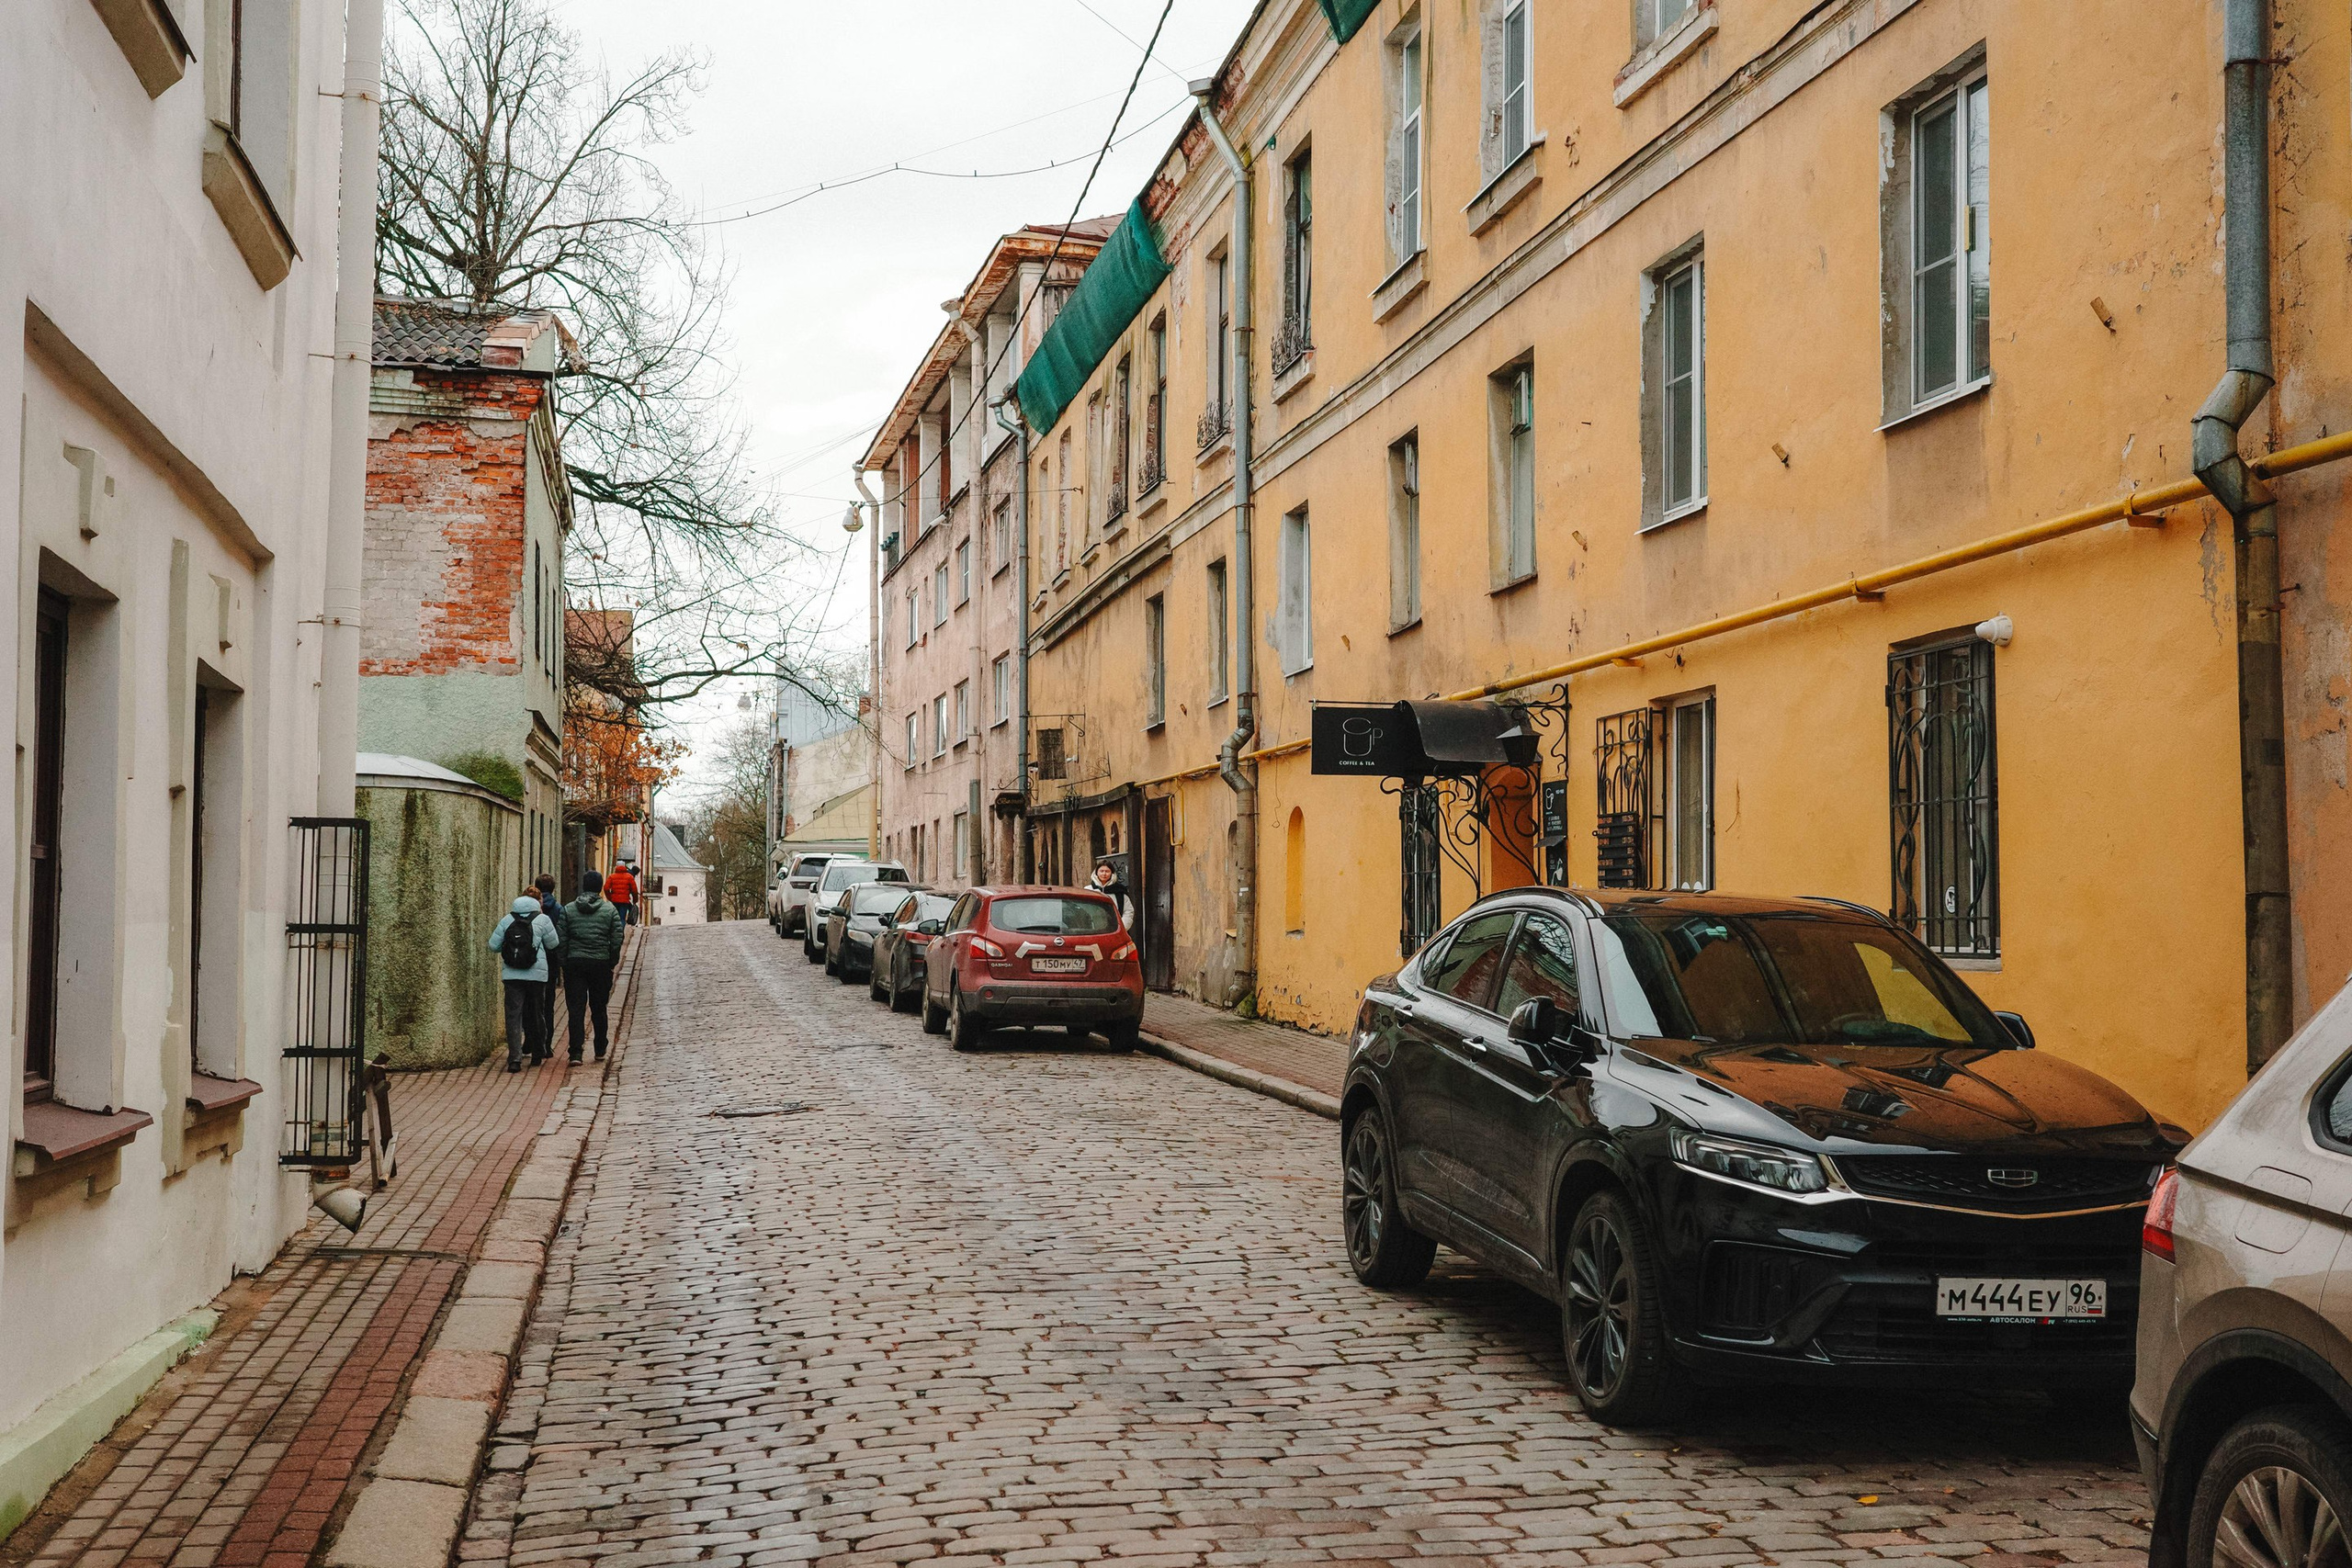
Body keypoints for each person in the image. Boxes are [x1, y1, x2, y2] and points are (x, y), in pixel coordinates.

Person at [488, 892, 561, 1072]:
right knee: (537, 1013)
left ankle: (515, 1058)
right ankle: (538, 1052)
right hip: (537, 976)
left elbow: (493, 945)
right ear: (537, 904)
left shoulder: (507, 920)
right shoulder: (543, 920)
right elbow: (553, 944)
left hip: (512, 975)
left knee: (514, 1016)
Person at [561, 870, 626, 1062]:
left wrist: (564, 961)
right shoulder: (610, 911)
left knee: (576, 1009)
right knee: (599, 1007)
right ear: (600, 888)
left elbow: (562, 938)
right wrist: (611, 961)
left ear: (583, 886)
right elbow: (616, 938)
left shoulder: (569, 909)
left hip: (575, 964)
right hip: (600, 964)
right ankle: (599, 1047)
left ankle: (575, 1052)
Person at [534, 873, 568, 1050]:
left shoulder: (529, 909)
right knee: (548, 1004)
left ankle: (530, 1040)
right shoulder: (559, 909)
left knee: (531, 1002)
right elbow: (559, 937)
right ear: (553, 889)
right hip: (550, 961)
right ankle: (547, 1043)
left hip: (530, 960)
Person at [1091, 859, 1135, 929]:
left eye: (1107, 871)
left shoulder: (1119, 891)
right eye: (1101, 871)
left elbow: (1128, 912)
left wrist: (1121, 929)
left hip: (1116, 932)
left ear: (1112, 873)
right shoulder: (1089, 890)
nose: (1104, 874)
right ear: (1096, 872)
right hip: (1093, 932)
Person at [604, 859, 639, 927]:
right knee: (622, 918)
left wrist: (610, 897)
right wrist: (635, 900)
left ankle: (614, 933)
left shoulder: (612, 877)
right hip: (624, 901)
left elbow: (606, 888)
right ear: (624, 867)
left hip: (614, 900)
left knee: (614, 918)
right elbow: (634, 890)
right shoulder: (629, 877)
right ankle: (621, 934)